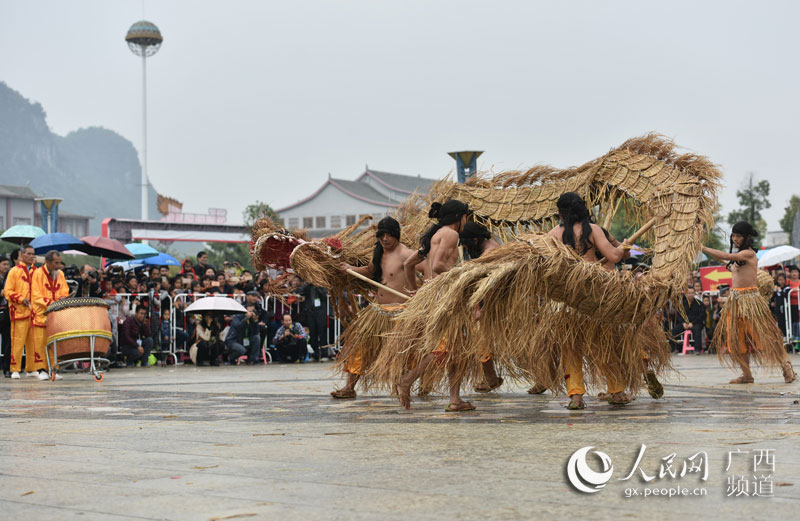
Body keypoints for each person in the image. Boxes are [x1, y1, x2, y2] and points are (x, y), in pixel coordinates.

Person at [546, 192, 629, 409]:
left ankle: (575, 396)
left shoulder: (553, 234)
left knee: (570, 347)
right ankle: (617, 392)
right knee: (605, 344)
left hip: (566, 299)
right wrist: (622, 248)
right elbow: (613, 257)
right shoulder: (593, 230)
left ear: (561, 211)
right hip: (593, 297)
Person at [395, 199, 474, 411]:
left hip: (433, 293)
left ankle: (455, 399)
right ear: (459, 217)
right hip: (443, 295)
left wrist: (416, 291)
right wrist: (463, 277)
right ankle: (407, 380)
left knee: (457, 347)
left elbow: (408, 264)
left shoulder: (436, 235)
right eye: (466, 216)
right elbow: (439, 265)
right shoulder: (451, 234)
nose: (467, 221)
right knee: (445, 348)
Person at [701, 221, 796, 383]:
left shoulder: (749, 254)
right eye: (734, 235)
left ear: (746, 238)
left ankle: (785, 367)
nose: (735, 238)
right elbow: (733, 264)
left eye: (738, 236)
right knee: (736, 339)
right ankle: (747, 374)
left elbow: (727, 256)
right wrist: (731, 267)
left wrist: (702, 248)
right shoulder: (739, 258)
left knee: (764, 338)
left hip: (751, 301)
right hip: (736, 301)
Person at [331, 216, 414, 399]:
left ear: (396, 235)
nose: (384, 239)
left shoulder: (406, 254)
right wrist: (350, 268)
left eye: (388, 235)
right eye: (381, 235)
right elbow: (370, 271)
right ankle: (349, 387)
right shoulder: (379, 252)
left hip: (401, 312)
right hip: (378, 312)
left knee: (405, 353)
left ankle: (408, 384)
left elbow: (427, 267)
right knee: (359, 345)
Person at [458, 222, 504, 393]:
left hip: (493, 303)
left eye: (467, 244)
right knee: (481, 342)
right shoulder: (485, 249)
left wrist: (482, 310)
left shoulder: (491, 252)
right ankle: (491, 378)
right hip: (486, 302)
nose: (466, 248)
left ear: (475, 240)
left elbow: (491, 283)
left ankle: (491, 378)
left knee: (484, 342)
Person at [6, 245, 42, 379]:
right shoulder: (14, 271)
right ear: (22, 255)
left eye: (34, 254)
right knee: (17, 341)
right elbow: (8, 292)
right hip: (19, 311)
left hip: (35, 313)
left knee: (34, 342)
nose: (32, 256)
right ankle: (14, 368)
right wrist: (21, 299)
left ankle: (31, 368)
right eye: (29, 254)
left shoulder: (37, 272)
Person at [31, 251, 69, 379]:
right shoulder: (38, 273)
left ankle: (53, 369)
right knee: (40, 342)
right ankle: (41, 370)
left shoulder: (60, 274)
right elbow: (36, 296)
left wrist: (63, 298)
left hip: (55, 314)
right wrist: (52, 303)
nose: (59, 265)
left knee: (54, 343)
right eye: (56, 263)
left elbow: (64, 289)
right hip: (41, 313)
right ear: (47, 262)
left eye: (60, 262)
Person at [298, 283, 330, 360]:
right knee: (313, 333)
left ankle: (324, 353)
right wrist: (309, 284)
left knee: (322, 332)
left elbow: (324, 296)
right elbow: (300, 291)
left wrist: (318, 287)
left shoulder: (322, 285)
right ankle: (315, 353)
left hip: (320, 311)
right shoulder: (308, 286)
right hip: (310, 312)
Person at [670, 287, 706, 354]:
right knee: (674, 331)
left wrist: (692, 323)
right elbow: (678, 315)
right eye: (689, 293)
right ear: (686, 294)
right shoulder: (682, 304)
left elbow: (702, 316)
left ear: (694, 293)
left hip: (695, 323)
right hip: (685, 324)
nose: (690, 295)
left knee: (697, 329)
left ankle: (697, 349)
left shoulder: (700, 304)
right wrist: (683, 323)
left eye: (692, 293)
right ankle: (675, 348)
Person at [0, 254, 12, 377]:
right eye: (3, 264)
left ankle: (7, 368)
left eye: (7, 264)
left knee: (8, 341)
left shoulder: (9, 277)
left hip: (6, 312)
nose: (6, 267)